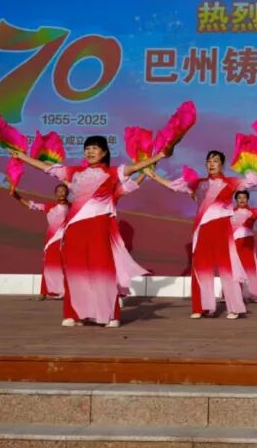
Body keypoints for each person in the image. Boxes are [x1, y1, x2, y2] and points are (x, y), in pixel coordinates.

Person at [11, 136, 166, 327]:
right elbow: (46, 168)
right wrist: (22, 157)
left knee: (102, 269)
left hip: (99, 226)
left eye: (95, 148)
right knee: (74, 270)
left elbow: (135, 168)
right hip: (75, 227)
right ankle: (73, 314)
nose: (90, 151)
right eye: (87, 148)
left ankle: (111, 315)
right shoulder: (74, 172)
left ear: (104, 152)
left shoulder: (112, 172)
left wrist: (160, 155)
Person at [146, 152, 257, 319]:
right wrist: (153, 175)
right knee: (201, 267)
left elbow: (252, 182)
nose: (211, 164)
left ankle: (234, 308)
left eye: (215, 161)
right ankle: (201, 308)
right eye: (209, 161)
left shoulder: (230, 182)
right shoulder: (198, 183)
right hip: (202, 230)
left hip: (222, 228)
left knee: (227, 268)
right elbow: (173, 186)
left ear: (222, 165)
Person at [12, 183, 70, 300]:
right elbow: (30, 205)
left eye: (63, 191)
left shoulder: (73, 207)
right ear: (55, 194)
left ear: (67, 194)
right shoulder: (49, 207)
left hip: (67, 240)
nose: (61, 193)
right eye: (58, 191)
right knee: (49, 266)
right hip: (52, 241)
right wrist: (16, 195)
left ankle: (66, 293)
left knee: (66, 266)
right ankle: (43, 293)